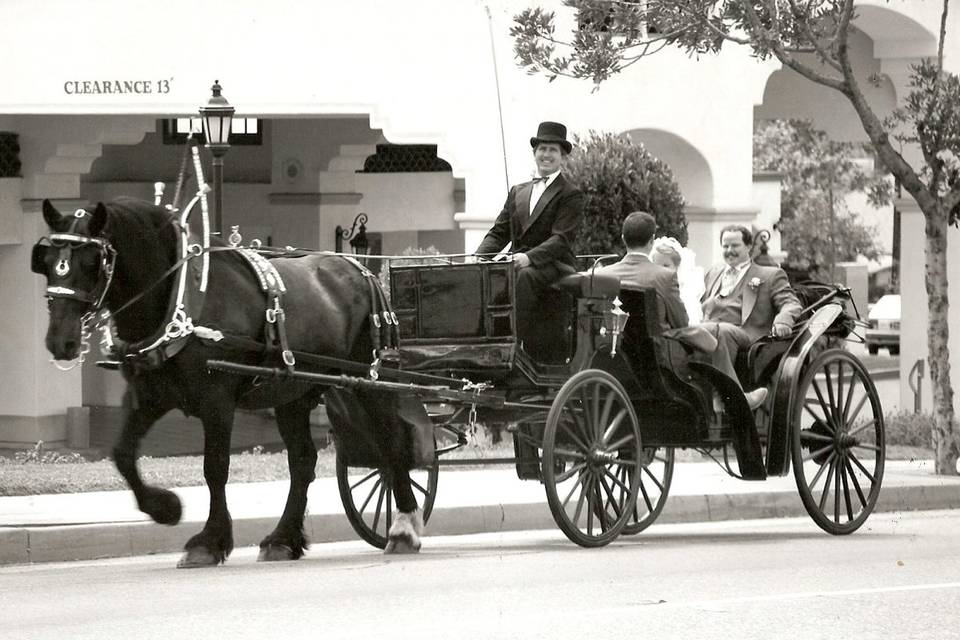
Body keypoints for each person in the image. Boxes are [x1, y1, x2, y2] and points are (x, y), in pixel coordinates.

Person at [475, 121, 584, 360]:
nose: (546, 154)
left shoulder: (570, 194)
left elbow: (561, 239)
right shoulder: (518, 191)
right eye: (542, 148)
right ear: (534, 153)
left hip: (553, 265)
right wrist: (477, 259)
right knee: (484, 274)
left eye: (553, 150)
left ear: (562, 156)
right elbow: (498, 233)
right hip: (518, 261)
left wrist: (528, 258)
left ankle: (510, 345)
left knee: (523, 276)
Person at [700, 225, 803, 409]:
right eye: (725, 246)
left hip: (745, 333)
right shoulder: (713, 273)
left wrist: (783, 321)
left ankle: (732, 398)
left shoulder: (769, 275)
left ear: (749, 247)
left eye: (735, 246)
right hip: (710, 329)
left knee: (721, 330)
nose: (729, 251)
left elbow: (791, 303)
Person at [596, 212, 688, 332]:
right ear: (652, 240)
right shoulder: (666, 277)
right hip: (654, 349)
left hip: (612, 347)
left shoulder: (602, 275)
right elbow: (681, 323)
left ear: (623, 239)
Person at [651, 236, 705, 325]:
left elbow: (685, 320)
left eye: (665, 266)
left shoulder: (685, 290)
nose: (661, 270)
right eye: (657, 265)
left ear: (676, 267)